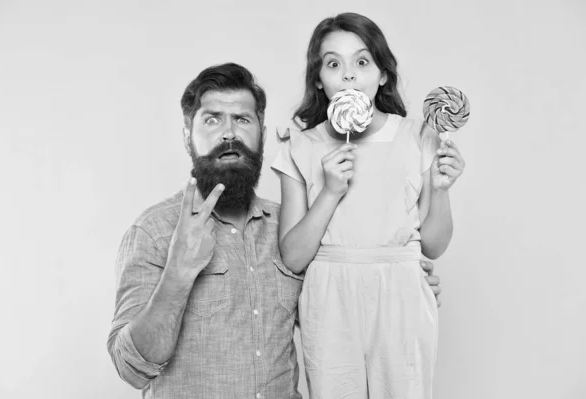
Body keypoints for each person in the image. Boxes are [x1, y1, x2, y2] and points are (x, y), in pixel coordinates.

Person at [107, 62, 442, 398]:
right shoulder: (154, 232)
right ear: (186, 135)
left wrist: (398, 282)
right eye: (212, 119)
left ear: (262, 135)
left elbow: (334, 305)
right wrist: (179, 271)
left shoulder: (289, 230)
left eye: (242, 119)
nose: (229, 134)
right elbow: (132, 367)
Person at [271, 13, 465, 399]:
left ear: (382, 75)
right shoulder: (299, 146)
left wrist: (441, 190)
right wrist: (329, 192)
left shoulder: (418, 137)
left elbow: (433, 246)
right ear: (319, 80)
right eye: (333, 63)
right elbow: (293, 257)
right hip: (329, 296)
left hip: (403, 292)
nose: (348, 75)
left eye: (362, 62)